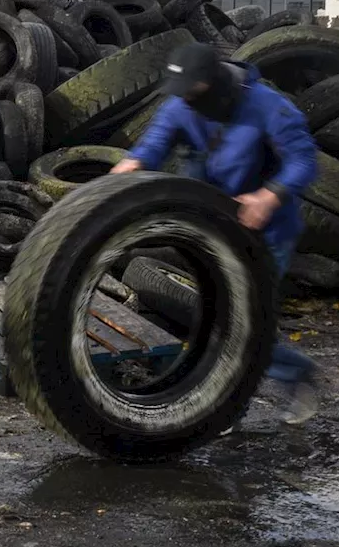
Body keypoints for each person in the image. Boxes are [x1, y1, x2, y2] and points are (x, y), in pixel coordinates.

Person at [109, 41, 322, 425]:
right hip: (211, 225)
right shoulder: (182, 104)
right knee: (214, 317)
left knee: (242, 323)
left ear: (216, 84)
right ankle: (223, 402)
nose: (186, 102)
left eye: (193, 93)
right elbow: (153, 145)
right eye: (182, 94)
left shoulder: (267, 106)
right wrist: (130, 165)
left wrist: (268, 196)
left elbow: (304, 159)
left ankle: (296, 374)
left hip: (266, 229)